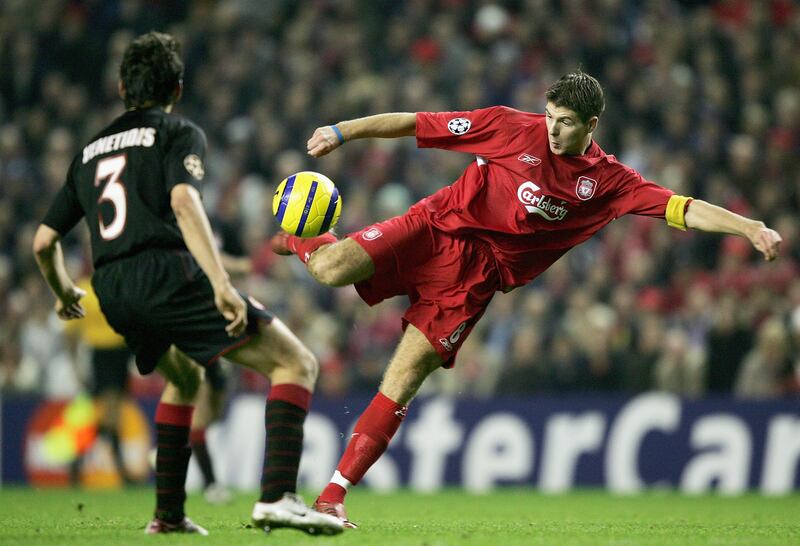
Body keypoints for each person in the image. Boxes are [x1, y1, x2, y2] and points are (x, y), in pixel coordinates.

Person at [271, 71, 782, 527]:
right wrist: (343, 131)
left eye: (565, 123)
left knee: (403, 379)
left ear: (592, 125)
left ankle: (332, 497)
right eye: (550, 117)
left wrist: (748, 226)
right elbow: (416, 123)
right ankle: (297, 237)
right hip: (433, 226)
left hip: (474, 280)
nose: (553, 130)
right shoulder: (509, 127)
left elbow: (681, 208)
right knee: (329, 269)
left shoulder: (609, 182)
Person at [32, 31, 342, 536]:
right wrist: (220, 282)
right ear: (177, 86)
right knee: (296, 362)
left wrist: (65, 291)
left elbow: (43, 242)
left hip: (111, 290)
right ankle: (278, 496)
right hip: (167, 275)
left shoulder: (87, 152)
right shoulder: (177, 133)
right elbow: (183, 202)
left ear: (120, 88)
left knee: (183, 378)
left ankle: (168, 515)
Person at [62, 277, 136, 485]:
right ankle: (121, 471)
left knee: (113, 412)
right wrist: (75, 364)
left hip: (122, 353)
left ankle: (77, 463)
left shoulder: (120, 285)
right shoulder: (84, 291)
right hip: (100, 354)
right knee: (110, 411)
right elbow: (71, 331)